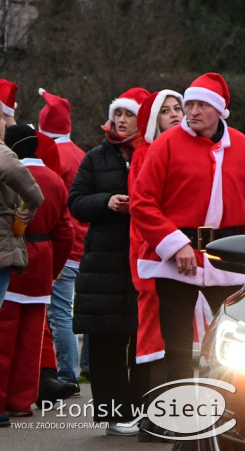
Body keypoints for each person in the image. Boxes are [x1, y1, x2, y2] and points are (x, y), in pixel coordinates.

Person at [131, 73, 245, 395]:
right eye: (188, 104)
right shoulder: (166, 145)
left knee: (231, 343)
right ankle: (178, 417)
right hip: (177, 258)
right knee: (177, 346)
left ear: (219, 111)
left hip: (228, 260)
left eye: (200, 106)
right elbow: (143, 201)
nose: (191, 112)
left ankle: (229, 410)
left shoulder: (243, 146)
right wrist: (175, 244)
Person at [70, 86, 149, 435]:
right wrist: (107, 202)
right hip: (103, 263)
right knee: (106, 342)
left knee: (142, 340)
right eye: (116, 114)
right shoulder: (95, 158)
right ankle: (114, 415)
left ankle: (142, 409)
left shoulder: (152, 153)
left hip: (141, 259)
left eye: (127, 115)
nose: (119, 121)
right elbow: (76, 202)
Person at [0, 126, 73, 421]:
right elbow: (65, 233)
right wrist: (54, 271)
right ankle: (21, 401)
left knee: (4, 336)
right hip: (44, 262)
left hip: (16, 257)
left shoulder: (10, 172)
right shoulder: (55, 180)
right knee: (31, 341)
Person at [126, 89, 183, 440]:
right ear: (152, 120)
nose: (175, 114)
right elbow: (146, 210)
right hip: (154, 257)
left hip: (179, 260)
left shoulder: (178, 149)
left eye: (178, 108)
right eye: (166, 111)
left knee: (175, 338)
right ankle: (155, 417)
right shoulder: (146, 155)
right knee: (156, 340)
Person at [36, 89, 88, 393]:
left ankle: (67, 374)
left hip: (64, 246)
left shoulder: (52, 156)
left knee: (58, 313)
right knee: (70, 310)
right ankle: (75, 371)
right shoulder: (81, 153)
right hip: (84, 244)